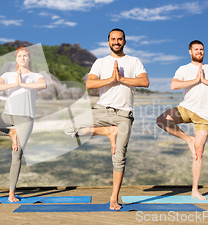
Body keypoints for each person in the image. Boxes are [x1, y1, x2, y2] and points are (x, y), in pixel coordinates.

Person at [64, 28, 149, 210]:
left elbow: (144, 82)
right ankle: (108, 132)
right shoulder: (100, 62)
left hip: (124, 115)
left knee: (119, 158)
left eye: (119, 39)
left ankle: (113, 198)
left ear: (124, 42)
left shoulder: (134, 61)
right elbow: (90, 84)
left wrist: (122, 78)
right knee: (69, 128)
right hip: (102, 110)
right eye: (113, 39)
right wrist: (111, 79)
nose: (116, 42)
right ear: (108, 42)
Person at [156, 40, 208, 200]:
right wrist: (195, 81)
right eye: (196, 49)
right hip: (186, 108)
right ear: (190, 52)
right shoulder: (183, 69)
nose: (199, 51)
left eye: (201, 49)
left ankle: (195, 190)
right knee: (162, 120)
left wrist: (205, 81)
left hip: (204, 115)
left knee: (199, 152)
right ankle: (188, 139)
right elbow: (174, 85)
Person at [0, 47, 46, 202]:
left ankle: (11, 192)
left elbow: (43, 85)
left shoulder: (35, 76)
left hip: (25, 119)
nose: (23, 58)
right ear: (16, 58)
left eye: (25, 56)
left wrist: (23, 84)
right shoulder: (8, 75)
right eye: (20, 56)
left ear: (29, 58)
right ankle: (10, 132)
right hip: (7, 116)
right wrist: (15, 83)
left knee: (17, 155)